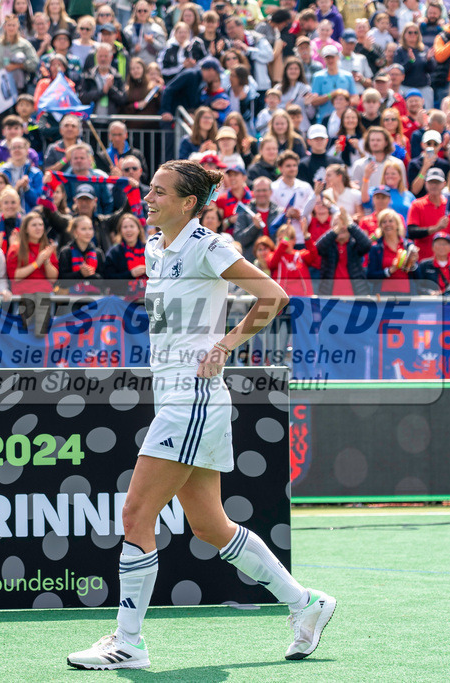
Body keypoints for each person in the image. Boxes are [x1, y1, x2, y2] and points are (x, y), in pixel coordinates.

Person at [66, 159, 335, 671]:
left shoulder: (208, 246)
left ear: (188, 203)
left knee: (135, 513)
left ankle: (129, 642)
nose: (149, 198)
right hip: (174, 396)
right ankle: (307, 604)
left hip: (194, 397)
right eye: (150, 190)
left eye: (160, 192)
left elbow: (273, 296)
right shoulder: (153, 248)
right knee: (211, 526)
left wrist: (226, 344)